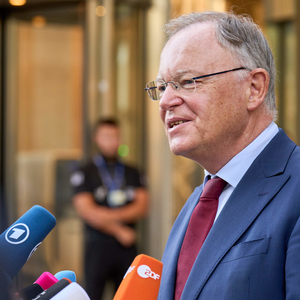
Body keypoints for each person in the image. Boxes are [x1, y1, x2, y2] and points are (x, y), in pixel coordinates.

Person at [145, 11, 300, 300]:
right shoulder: (199, 202)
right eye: (162, 87)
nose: (166, 101)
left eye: (188, 81)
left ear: (254, 89)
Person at [70, 118, 148, 300]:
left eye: (115, 136)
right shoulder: (85, 172)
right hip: (98, 247)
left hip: (127, 249)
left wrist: (106, 216)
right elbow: (87, 211)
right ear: (96, 138)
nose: (111, 141)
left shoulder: (132, 171)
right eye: (106, 136)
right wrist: (119, 229)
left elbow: (142, 206)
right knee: (93, 295)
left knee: (129, 295)